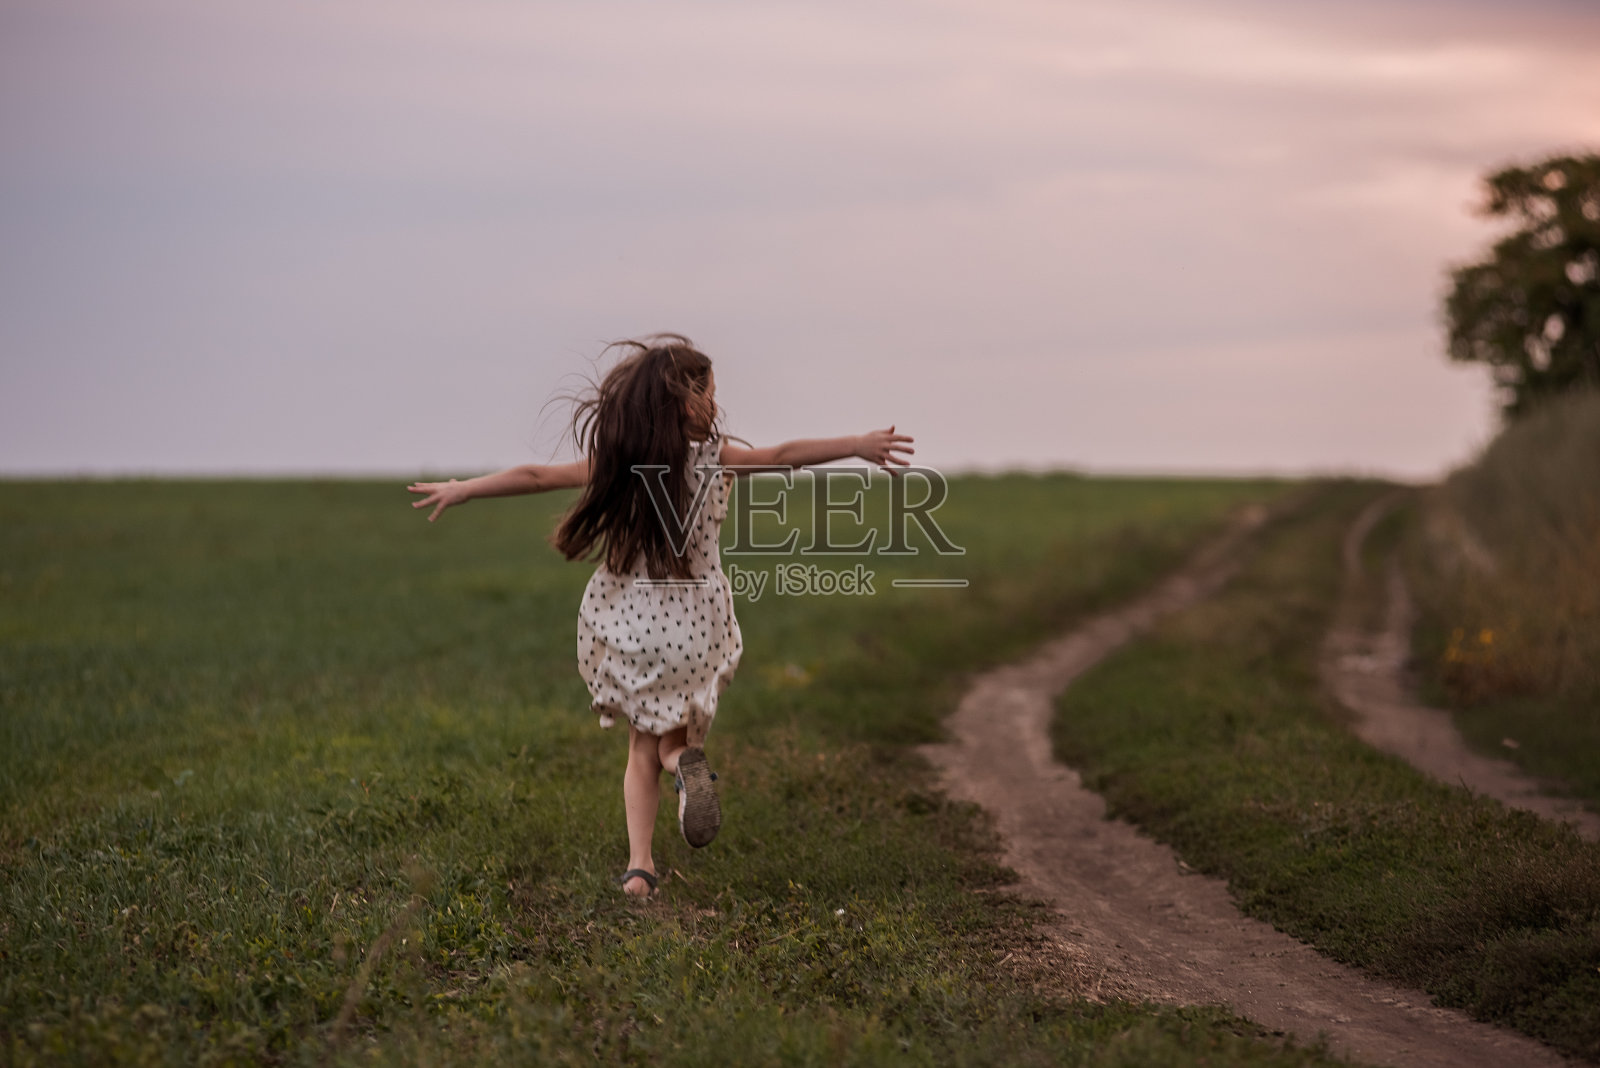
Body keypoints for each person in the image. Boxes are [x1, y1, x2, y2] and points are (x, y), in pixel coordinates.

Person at [407, 335, 913, 898]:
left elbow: (535, 478)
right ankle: (685, 766)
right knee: (672, 741)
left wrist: (465, 489)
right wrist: (857, 445)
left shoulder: (622, 464)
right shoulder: (713, 459)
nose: (717, 406)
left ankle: (640, 869)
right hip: (695, 622)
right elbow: (782, 455)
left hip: (633, 620)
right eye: (711, 395)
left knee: (638, 746)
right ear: (688, 402)